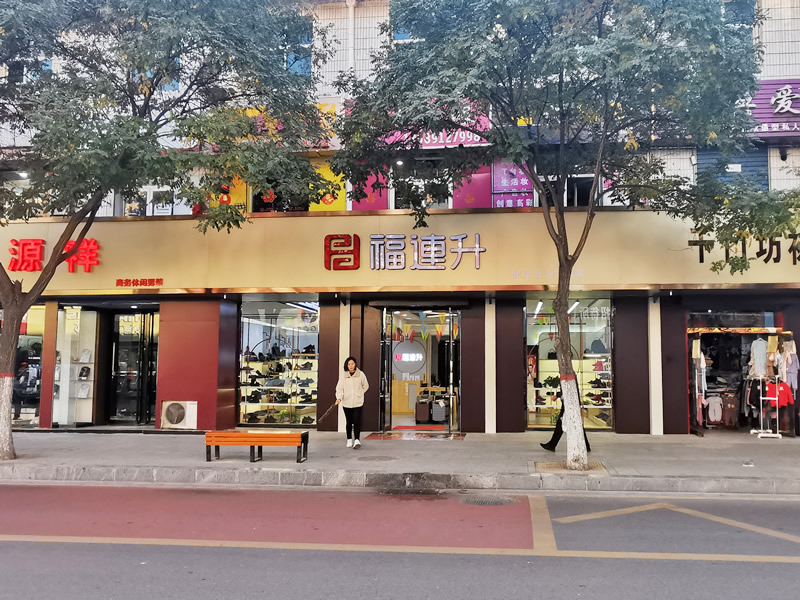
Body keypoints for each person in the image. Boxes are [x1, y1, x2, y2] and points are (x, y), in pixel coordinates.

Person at [335, 356, 369, 449]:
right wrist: (339, 398)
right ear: (346, 365)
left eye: (352, 364)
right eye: (349, 364)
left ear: (355, 364)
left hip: (358, 402)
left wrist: (359, 393)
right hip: (346, 402)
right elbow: (339, 389)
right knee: (349, 421)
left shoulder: (361, 374)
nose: (351, 366)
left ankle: (357, 440)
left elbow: (366, 386)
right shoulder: (343, 376)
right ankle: (349, 439)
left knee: (357, 421)